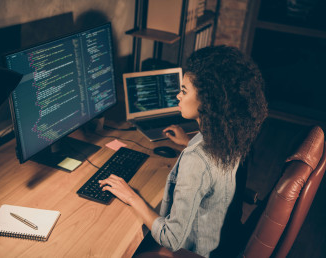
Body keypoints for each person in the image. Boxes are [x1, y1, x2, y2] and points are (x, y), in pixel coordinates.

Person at [99, 45, 268, 257]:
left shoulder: (197, 159)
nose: (178, 96)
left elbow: (172, 238)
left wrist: (131, 196)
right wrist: (188, 141)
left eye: (184, 91)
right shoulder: (230, 138)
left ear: (209, 101)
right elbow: (212, 172)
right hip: (224, 245)